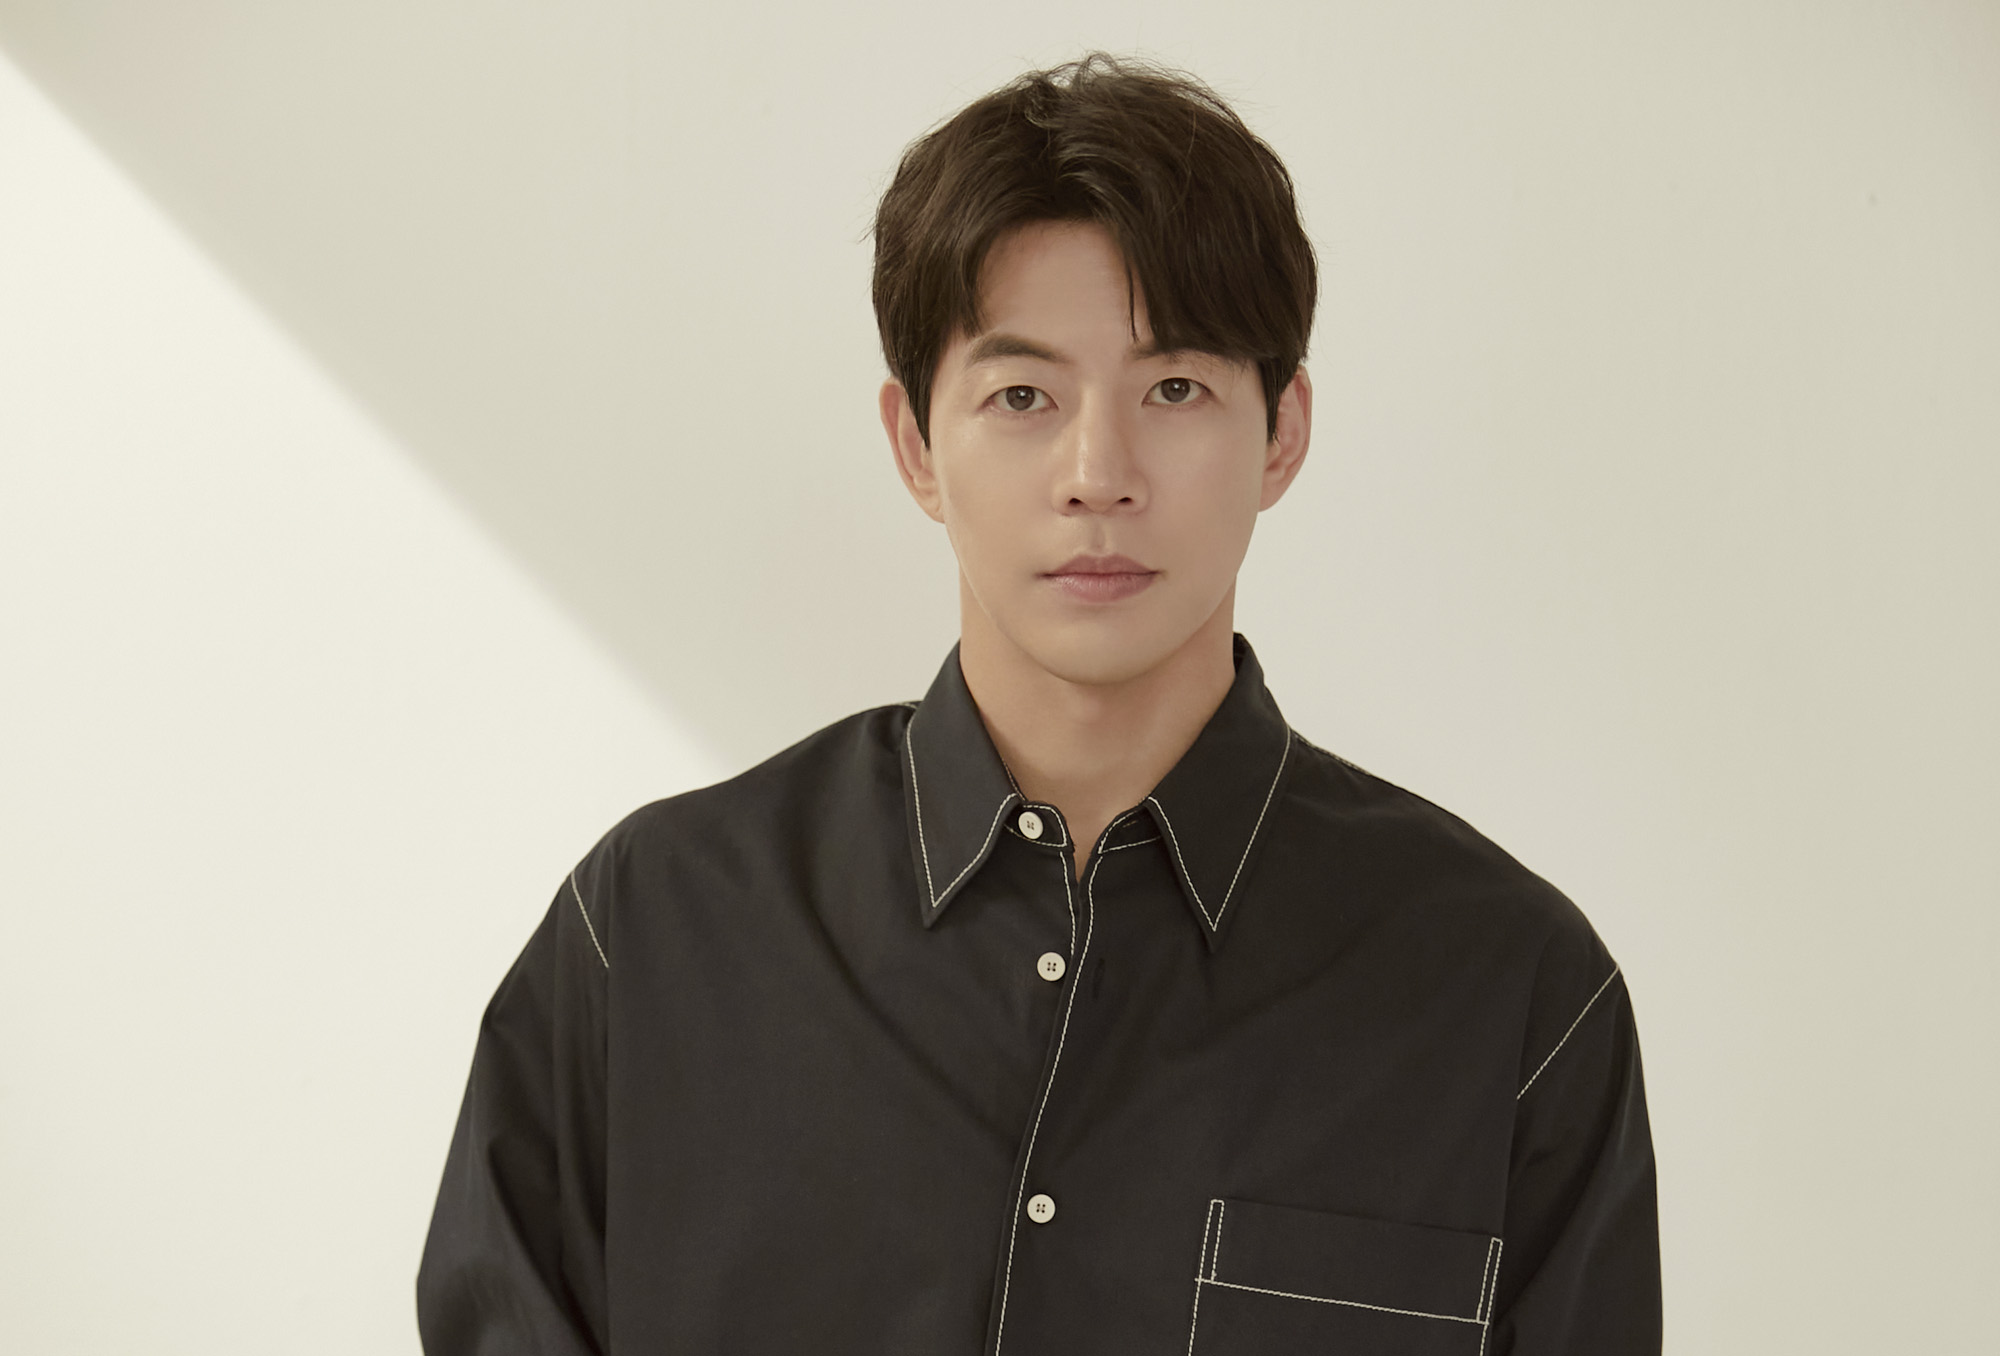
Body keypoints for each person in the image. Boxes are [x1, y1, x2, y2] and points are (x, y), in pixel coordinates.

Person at [416, 53, 1660, 1355]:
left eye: (1174, 389)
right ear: (916, 445)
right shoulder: (652, 936)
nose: (1097, 472)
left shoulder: (1511, 996)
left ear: (1283, 432)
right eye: (1022, 396)